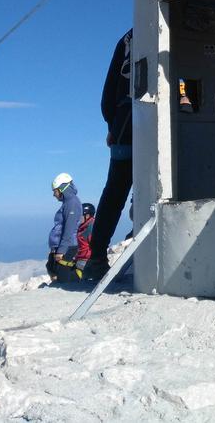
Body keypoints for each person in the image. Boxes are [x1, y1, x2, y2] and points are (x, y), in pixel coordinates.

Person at [83, 29, 133, 281]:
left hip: (124, 123)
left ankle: (97, 258)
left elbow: (108, 92)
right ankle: (140, 234)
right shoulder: (166, 23)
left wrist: (112, 126)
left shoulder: (126, 39)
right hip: (161, 121)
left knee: (115, 191)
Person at [47, 172, 83, 283]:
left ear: (62, 188)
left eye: (55, 191)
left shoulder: (71, 203)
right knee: (52, 269)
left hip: (68, 248)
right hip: (63, 247)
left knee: (64, 280)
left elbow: (69, 228)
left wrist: (61, 250)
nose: (54, 195)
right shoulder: (68, 202)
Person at [75, 202, 95, 271]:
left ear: (87, 216)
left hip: (86, 261)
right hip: (81, 258)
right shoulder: (83, 226)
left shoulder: (91, 228)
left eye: (80, 215)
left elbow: (95, 246)